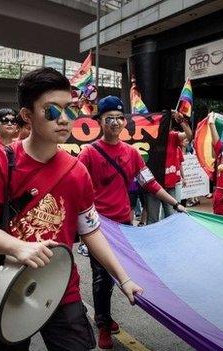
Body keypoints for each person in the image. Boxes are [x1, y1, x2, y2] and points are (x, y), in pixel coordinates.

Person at [0, 69, 142, 351]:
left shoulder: (77, 171)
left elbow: (91, 230)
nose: (63, 119)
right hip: (1, 284)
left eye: (69, 110)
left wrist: (124, 278)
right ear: (27, 115)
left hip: (60, 286)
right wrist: (18, 247)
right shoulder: (0, 160)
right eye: (51, 111)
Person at [77, 95, 182, 349]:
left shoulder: (132, 153)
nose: (115, 123)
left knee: (118, 274)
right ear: (100, 122)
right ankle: (103, 324)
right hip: (97, 227)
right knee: (101, 275)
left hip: (124, 224)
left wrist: (176, 203)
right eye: (109, 118)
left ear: (124, 121)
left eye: (118, 118)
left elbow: (150, 183)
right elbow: (75, 187)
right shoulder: (89, 153)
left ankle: (105, 315)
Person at [145, 111, 192, 224]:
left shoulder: (173, 136)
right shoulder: (149, 136)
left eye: (168, 122)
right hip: (153, 186)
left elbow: (189, 135)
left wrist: (181, 120)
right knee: (152, 220)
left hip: (170, 186)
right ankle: (152, 241)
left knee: (171, 218)